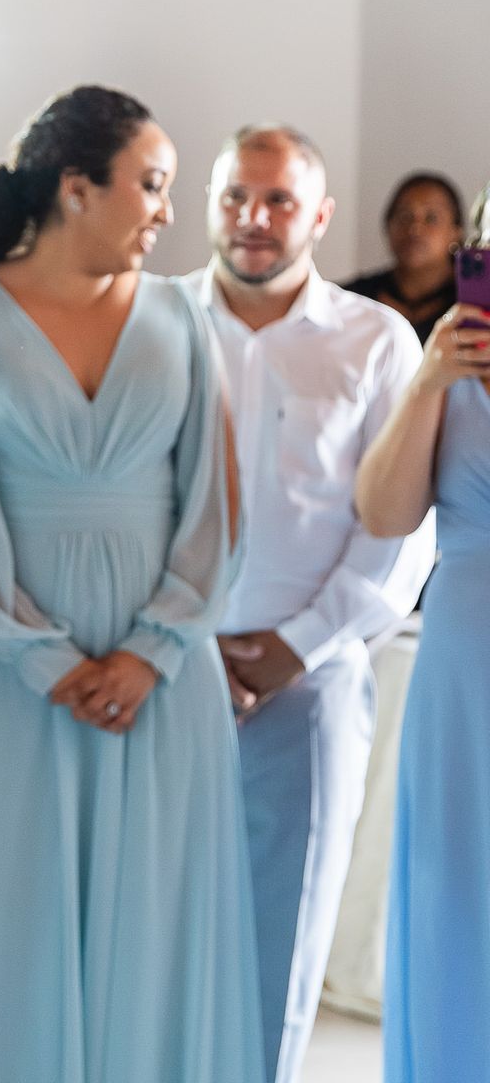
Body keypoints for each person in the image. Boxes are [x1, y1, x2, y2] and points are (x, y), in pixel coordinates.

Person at [0, 87, 264, 1082]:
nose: (167, 210)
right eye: (150, 184)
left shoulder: (188, 313)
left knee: (158, 917)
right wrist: (42, 655)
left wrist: (153, 648)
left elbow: (217, 506)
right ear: (75, 187)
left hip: (161, 676)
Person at [185, 125, 432, 1083]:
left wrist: (298, 646)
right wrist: (178, 641)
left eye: (279, 200)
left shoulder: (377, 340)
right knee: (154, 925)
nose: (254, 219)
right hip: (168, 669)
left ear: (320, 215)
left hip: (312, 681)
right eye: (236, 196)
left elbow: (404, 523)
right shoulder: (155, 322)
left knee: (282, 938)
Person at [357, 182, 490, 1083]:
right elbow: (385, 511)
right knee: (460, 880)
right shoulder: (450, 354)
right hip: (467, 646)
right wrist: (430, 379)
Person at [344, 172, 467, 345]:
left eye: (431, 218)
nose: (415, 229)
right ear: (388, 226)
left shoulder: (473, 307)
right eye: (405, 216)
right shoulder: (352, 301)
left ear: (456, 232)